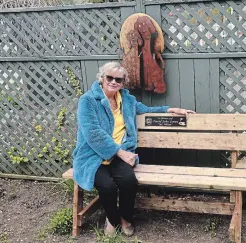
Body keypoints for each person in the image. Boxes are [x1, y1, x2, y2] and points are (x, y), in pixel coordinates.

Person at [73, 61, 195, 236]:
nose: (114, 82)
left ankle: (125, 218)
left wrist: (171, 109)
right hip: (93, 154)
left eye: (119, 80)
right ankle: (112, 219)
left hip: (119, 154)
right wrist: (121, 153)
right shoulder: (88, 101)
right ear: (102, 78)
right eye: (110, 77)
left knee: (128, 181)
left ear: (123, 82)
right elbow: (93, 133)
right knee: (107, 186)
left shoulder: (127, 100)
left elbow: (145, 109)